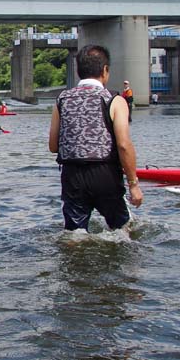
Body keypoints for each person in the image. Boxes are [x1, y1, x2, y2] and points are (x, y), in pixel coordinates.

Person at [48, 44, 142, 232]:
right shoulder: (114, 100)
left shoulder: (62, 99)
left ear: (78, 70)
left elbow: (53, 146)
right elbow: (123, 145)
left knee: (74, 235)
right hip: (105, 173)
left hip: (72, 174)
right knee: (123, 230)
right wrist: (133, 184)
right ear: (105, 70)